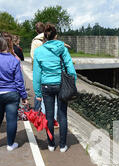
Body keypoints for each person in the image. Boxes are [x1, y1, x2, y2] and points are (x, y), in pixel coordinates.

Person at [33, 23, 76, 153]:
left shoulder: (39, 51)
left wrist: (37, 92)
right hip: (61, 85)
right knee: (62, 115)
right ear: (56, 35)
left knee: (49, 116)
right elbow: (70, 67)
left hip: (46, 86)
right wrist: (73, 83)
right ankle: (63, 145)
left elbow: (37, 74)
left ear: (44, 37)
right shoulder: (62, 49)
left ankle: (51, 144)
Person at [0, 35, 28, 152]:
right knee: (11, 119)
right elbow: (19, 81)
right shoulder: (14, 60)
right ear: (5, 45)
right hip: (12, 93)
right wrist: (24, 96)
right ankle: (10, 144)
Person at [31, 22, 45, 111]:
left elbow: (33, 56)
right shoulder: (48, 39)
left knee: (38, 90)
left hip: (38, 68)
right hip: (48, 68)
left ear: (36, 30)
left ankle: (37, 111)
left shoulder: (35, 41)